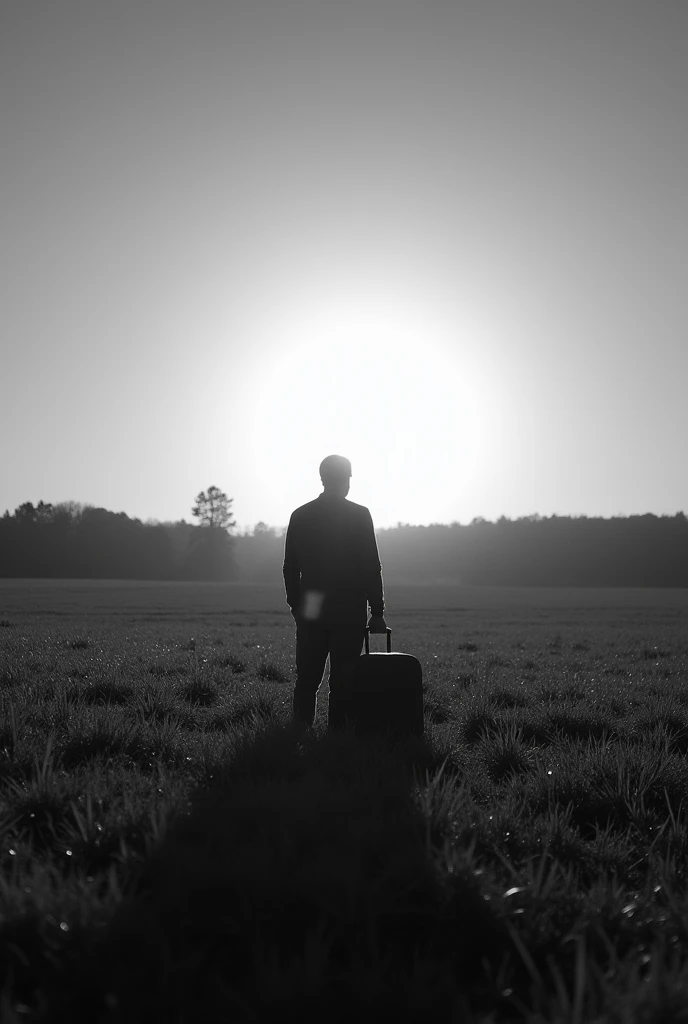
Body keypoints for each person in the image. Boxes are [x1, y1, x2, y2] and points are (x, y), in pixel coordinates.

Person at [283, 454, 387, 729]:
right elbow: (371, 566)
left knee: (307, 678)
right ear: (347, 480)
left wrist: (297, 607)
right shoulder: (359, 514)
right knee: (343, 679)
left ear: (323, 478)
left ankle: (300, 735)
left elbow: (290, 568)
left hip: (312, 606)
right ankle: (338, 738)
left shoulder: (301, 515)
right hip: (348, 606)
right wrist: (376, 612)